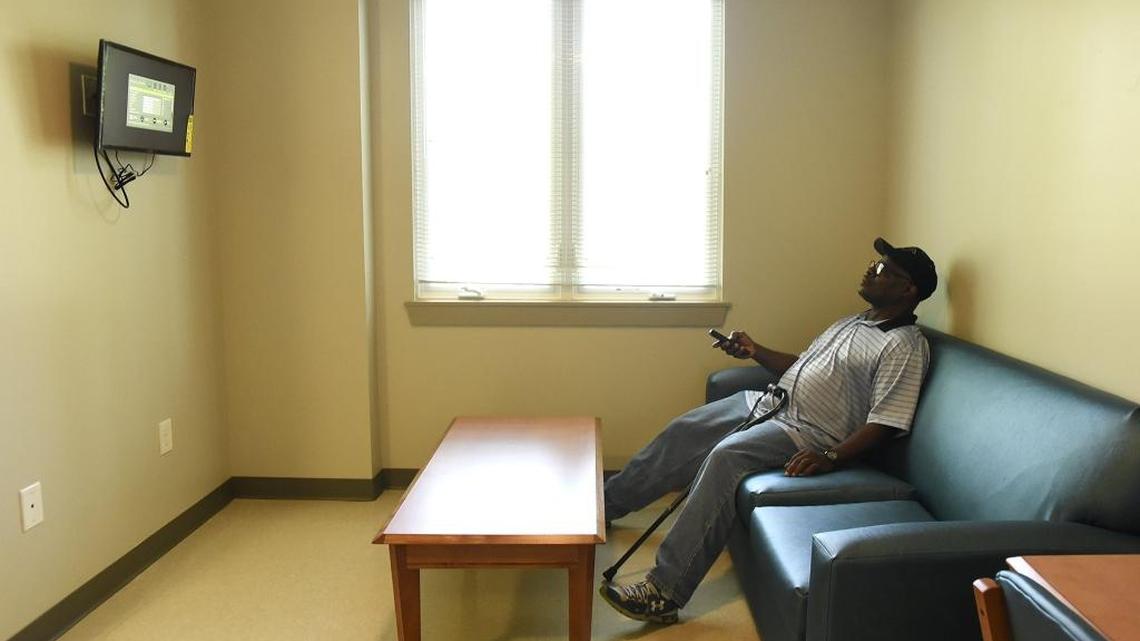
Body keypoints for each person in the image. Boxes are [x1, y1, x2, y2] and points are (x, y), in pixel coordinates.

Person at [599, 237, 938, 625]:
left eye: (882, 269)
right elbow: (804, 367)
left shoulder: (905, 346)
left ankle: (665, 591)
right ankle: (606, 507)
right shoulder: (853, 321)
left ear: (908, 289)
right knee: (684, 429)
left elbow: (886, 420)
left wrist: (830, 457)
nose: (870, 270)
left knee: (726, 457)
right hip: (770, 403)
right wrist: (755, 351)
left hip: (806, 431)